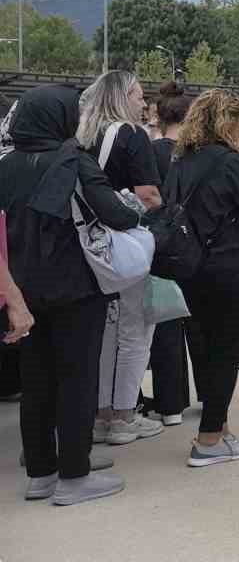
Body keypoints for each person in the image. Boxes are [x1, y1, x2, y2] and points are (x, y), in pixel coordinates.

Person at [1, 85, 138, 505]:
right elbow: (115, 214)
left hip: (22, 292)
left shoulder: (4, 166)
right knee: (77, 379)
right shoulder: (73, 161)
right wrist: (133, 208)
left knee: (37, 380)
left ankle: (41, 472)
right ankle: (74, 474)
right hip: (75, 288)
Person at [169, 89, 239, 466]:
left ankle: (219, 426)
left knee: (203, 350)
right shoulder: (234, 163)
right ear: (228, 121)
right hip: (234, 267)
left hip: (190, 267)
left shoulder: (181, 159)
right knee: (226, 354)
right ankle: (209, 439)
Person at [77, 71, 167, 446]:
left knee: (105, 332)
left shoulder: (83, 136)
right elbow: (148, 195)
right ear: (121, 96)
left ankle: (99, 413)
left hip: (88, 243)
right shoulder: (132, 135)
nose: (143, 104)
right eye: (139, 95)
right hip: (125, 243)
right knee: (136, 329)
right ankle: (124, 416)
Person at [146, 83, 192, 426]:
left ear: (158, 116)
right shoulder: (197, 153)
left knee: (166, 321)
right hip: (196, 244)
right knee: (202, 324)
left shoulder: (150, 152)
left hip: (159, 244)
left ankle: (170, 403)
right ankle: (208, 390)